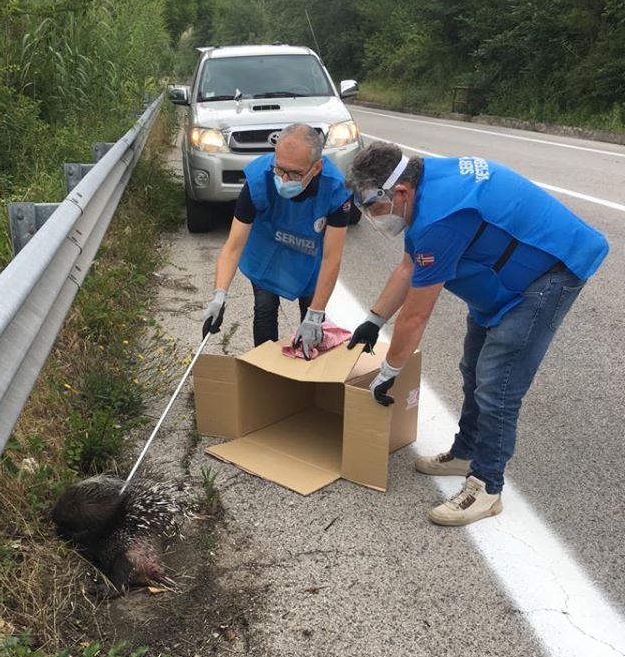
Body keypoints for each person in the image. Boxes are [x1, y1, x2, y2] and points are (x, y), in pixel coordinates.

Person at [346, 142, 608, 526]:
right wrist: (374, 319)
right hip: (505, 272)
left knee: (496, 383)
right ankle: (467, 450)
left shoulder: (441, 217)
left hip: (551, 271)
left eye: (373, 207)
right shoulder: (423, 183)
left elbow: (416, 315)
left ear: (399, 191)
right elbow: (408, 264)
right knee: (473, 366)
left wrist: (389, 371)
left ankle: (487, 485)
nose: (371, 218)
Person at [202, 124, 353, 358]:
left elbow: (332, 257)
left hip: (309, 256)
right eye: (280, 169)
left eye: (294, 174)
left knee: (312, 317)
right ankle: (265, 368)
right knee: (264, 307)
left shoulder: (336, 190)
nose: (283, 179)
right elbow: (233, 246)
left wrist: (315, 315)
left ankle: (309, 378)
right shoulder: (259, 179)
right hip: (266, 249)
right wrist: (219, 296)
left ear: (317, 167)